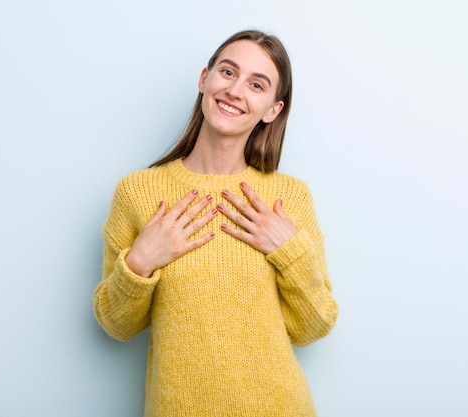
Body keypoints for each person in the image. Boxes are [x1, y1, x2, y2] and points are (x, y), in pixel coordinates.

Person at [94, 29, 339, 416]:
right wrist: (139, 264)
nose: (235, 90)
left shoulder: (289, 198)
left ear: (272, 110)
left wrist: (290, 253)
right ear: (204, 79)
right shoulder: (137, 192)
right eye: (228, 72)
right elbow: (116, 325)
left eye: (256, 84)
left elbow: (313, 327)